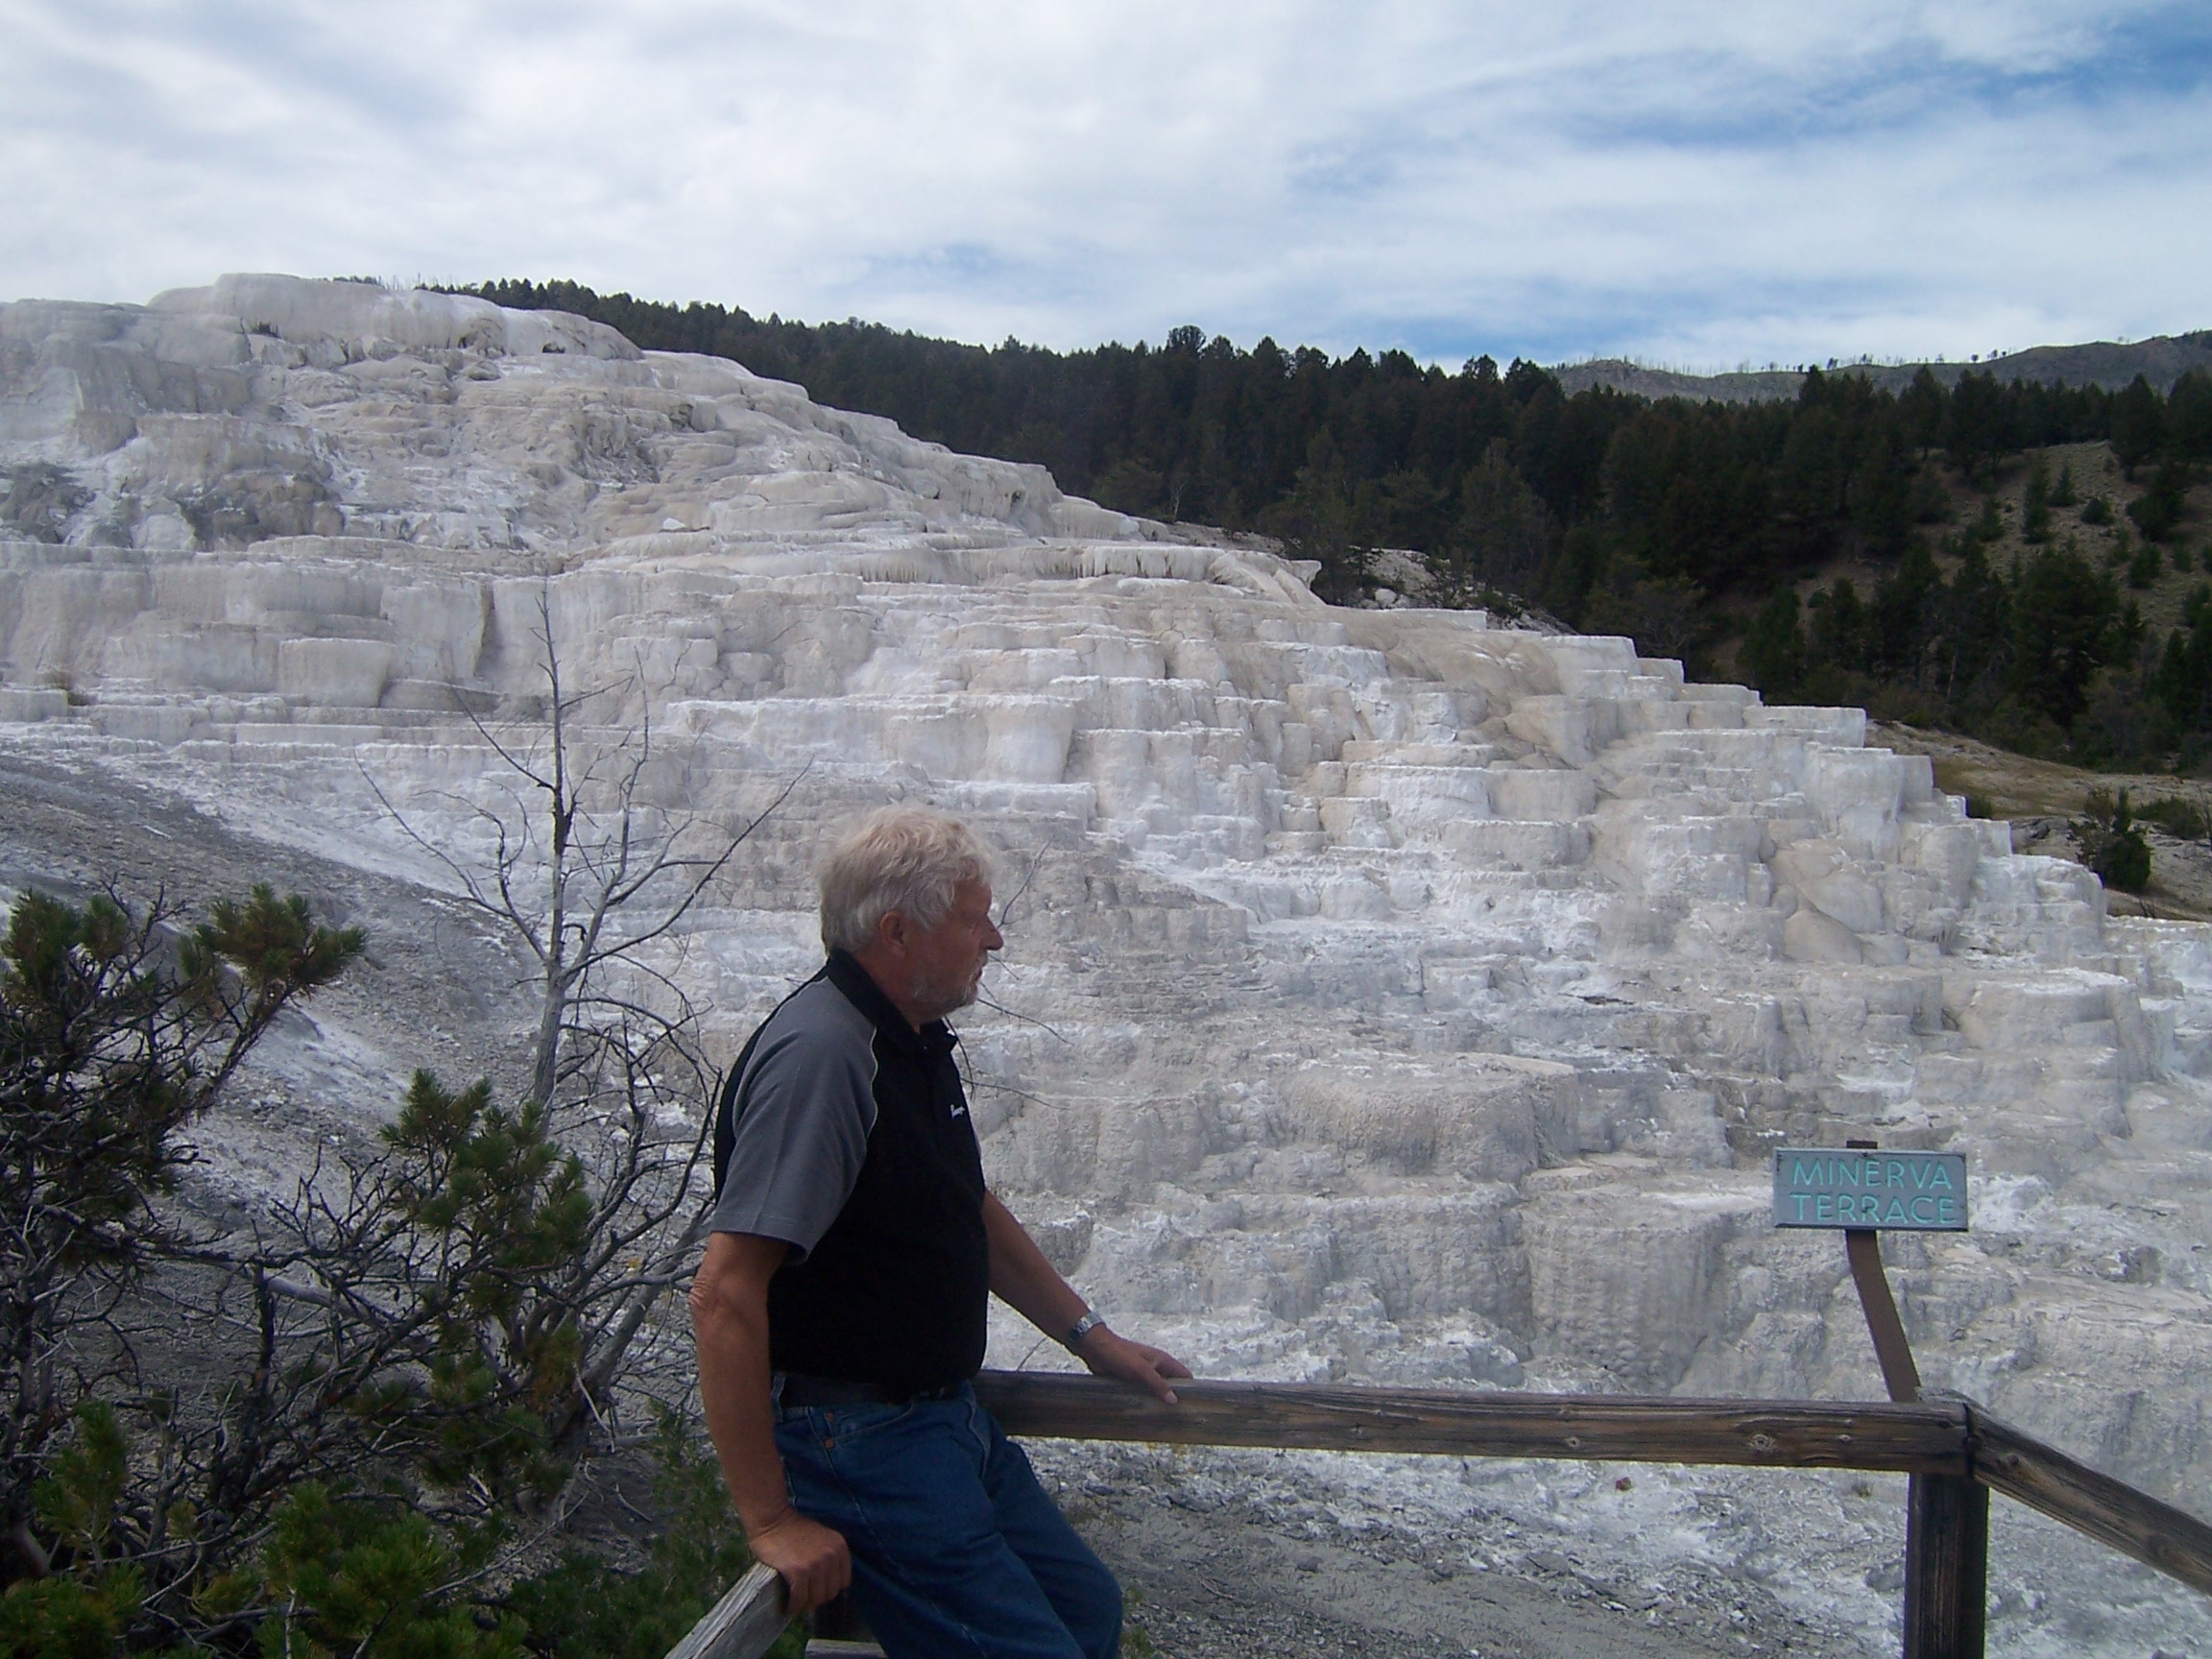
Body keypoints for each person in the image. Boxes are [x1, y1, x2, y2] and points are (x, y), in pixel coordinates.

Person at [689, 805, 1191, 1659]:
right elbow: (723, 1293)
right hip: (859, 1442)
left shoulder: (910, 1038)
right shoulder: (825, 1056)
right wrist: (771, 1519)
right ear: (898, 932)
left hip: (941, 1423)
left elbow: (967, 1209)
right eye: (974, 918)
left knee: (1086, 1614)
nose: (993, 940)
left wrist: (1091, 1339)